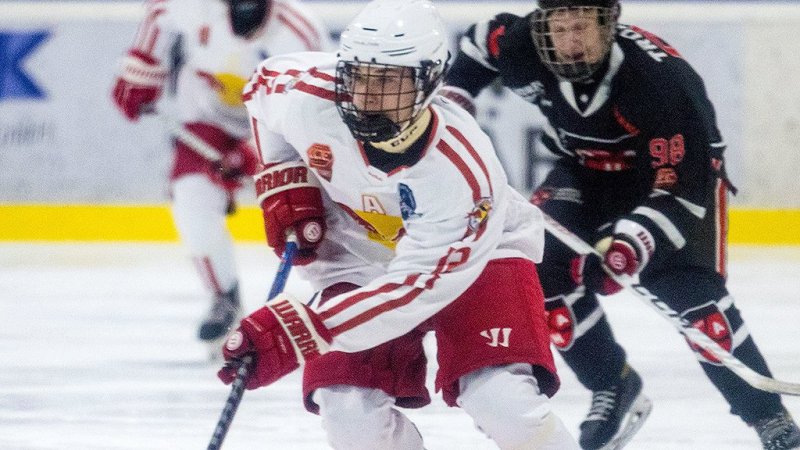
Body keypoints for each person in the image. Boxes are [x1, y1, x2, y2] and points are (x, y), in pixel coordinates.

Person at [215, 0, 580, 448]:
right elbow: (261, 89)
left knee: (503, 404)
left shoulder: (462, 174)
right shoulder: (308, 95)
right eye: (357, 76)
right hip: (358, 256)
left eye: (387, 80)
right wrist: (283, 176)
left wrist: (305, 329)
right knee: (349, 416)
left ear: (429, 80)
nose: (366, 96)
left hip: (480, 259)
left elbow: (413, 289)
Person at [441, 0, 800, 449]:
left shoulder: (659, 82)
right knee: (540, 265)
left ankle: (771, 420)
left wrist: (630, 247)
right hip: (585, 173)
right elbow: (480, 43)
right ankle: (613, 386)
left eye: (584, 26)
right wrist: (454, 101)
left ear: (609, 23)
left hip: (675, 186)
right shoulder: (523, 44)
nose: (571, 42)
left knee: (697, 304)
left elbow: (681, 189)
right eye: (561, 26)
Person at [111, 0, 332, 352]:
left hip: (278, 131)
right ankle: (223, 296)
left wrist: (259, 152)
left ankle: (336, 294)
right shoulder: (193, 7)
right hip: (205, 119)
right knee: (190, 196)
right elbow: (157, 12)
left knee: (313, 216)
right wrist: (143, 63)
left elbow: (321, 113)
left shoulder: (301, 32)